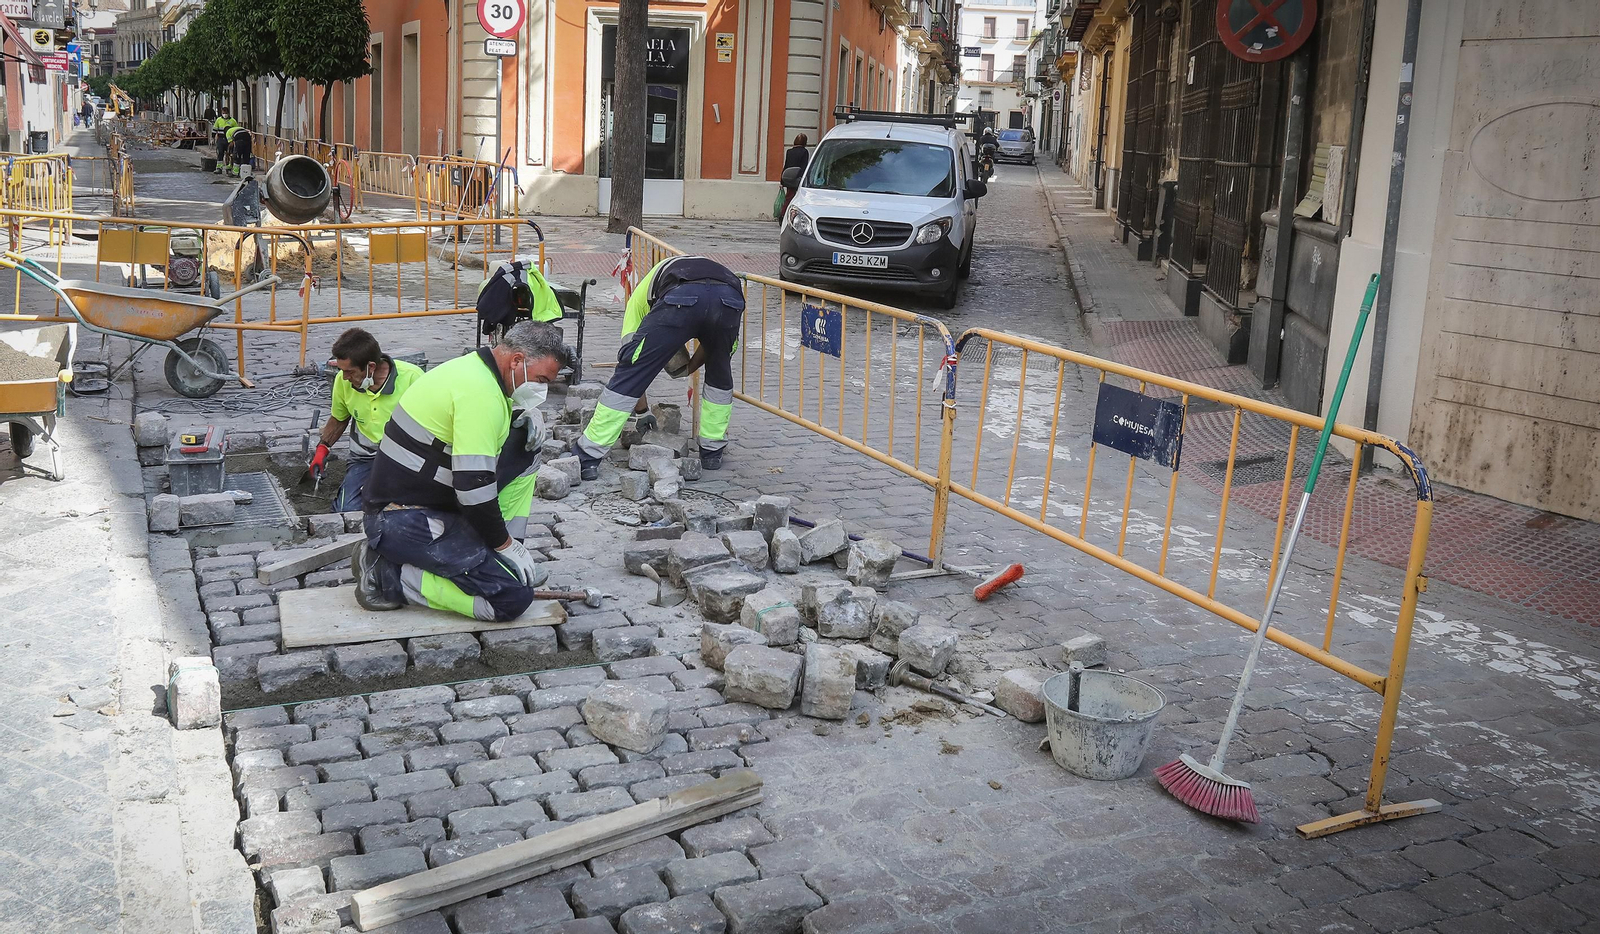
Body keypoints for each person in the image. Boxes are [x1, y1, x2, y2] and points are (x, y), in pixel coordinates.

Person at [354, 322, 571, 621]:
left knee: (525, 446)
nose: (542, 390)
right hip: (399, 519)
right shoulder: (481, 393)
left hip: (426, 501)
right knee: (511, 598)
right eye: (541, 379)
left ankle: (503, 552)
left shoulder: (476, 371)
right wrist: (503, 546)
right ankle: (388, 575)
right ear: (517, 360)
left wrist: (518, 416)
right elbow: (473, 488)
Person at [573, 256, 744, 481]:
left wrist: (642, 411)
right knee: (720, 372)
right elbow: (712, 351)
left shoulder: (637, 304)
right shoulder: (681, 270)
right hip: (730, 298)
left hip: (682, 298)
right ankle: (712, 451)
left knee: (630, 372)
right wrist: (690, 366)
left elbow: (633, 367)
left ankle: (588, 455)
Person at [309, 328, 425, 513]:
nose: (344, 377)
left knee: (407, 509)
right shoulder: (343, 381)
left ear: (371, 366)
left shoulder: (413, 378)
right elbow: (339, 419)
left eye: (350, 371)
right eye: (342, 371)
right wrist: (322, 448)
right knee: (346, 510)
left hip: (406, 458)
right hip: (366, 458)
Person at [781, 133, 809, 216]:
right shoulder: (804, 152)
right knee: (797, 198)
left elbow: (786, 165)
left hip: (788, 177)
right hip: (798, 178)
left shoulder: (789, 151)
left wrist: (782, 180)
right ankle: (789, 214)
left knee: (789, 197)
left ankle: (783, 214)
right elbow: (804, 166)